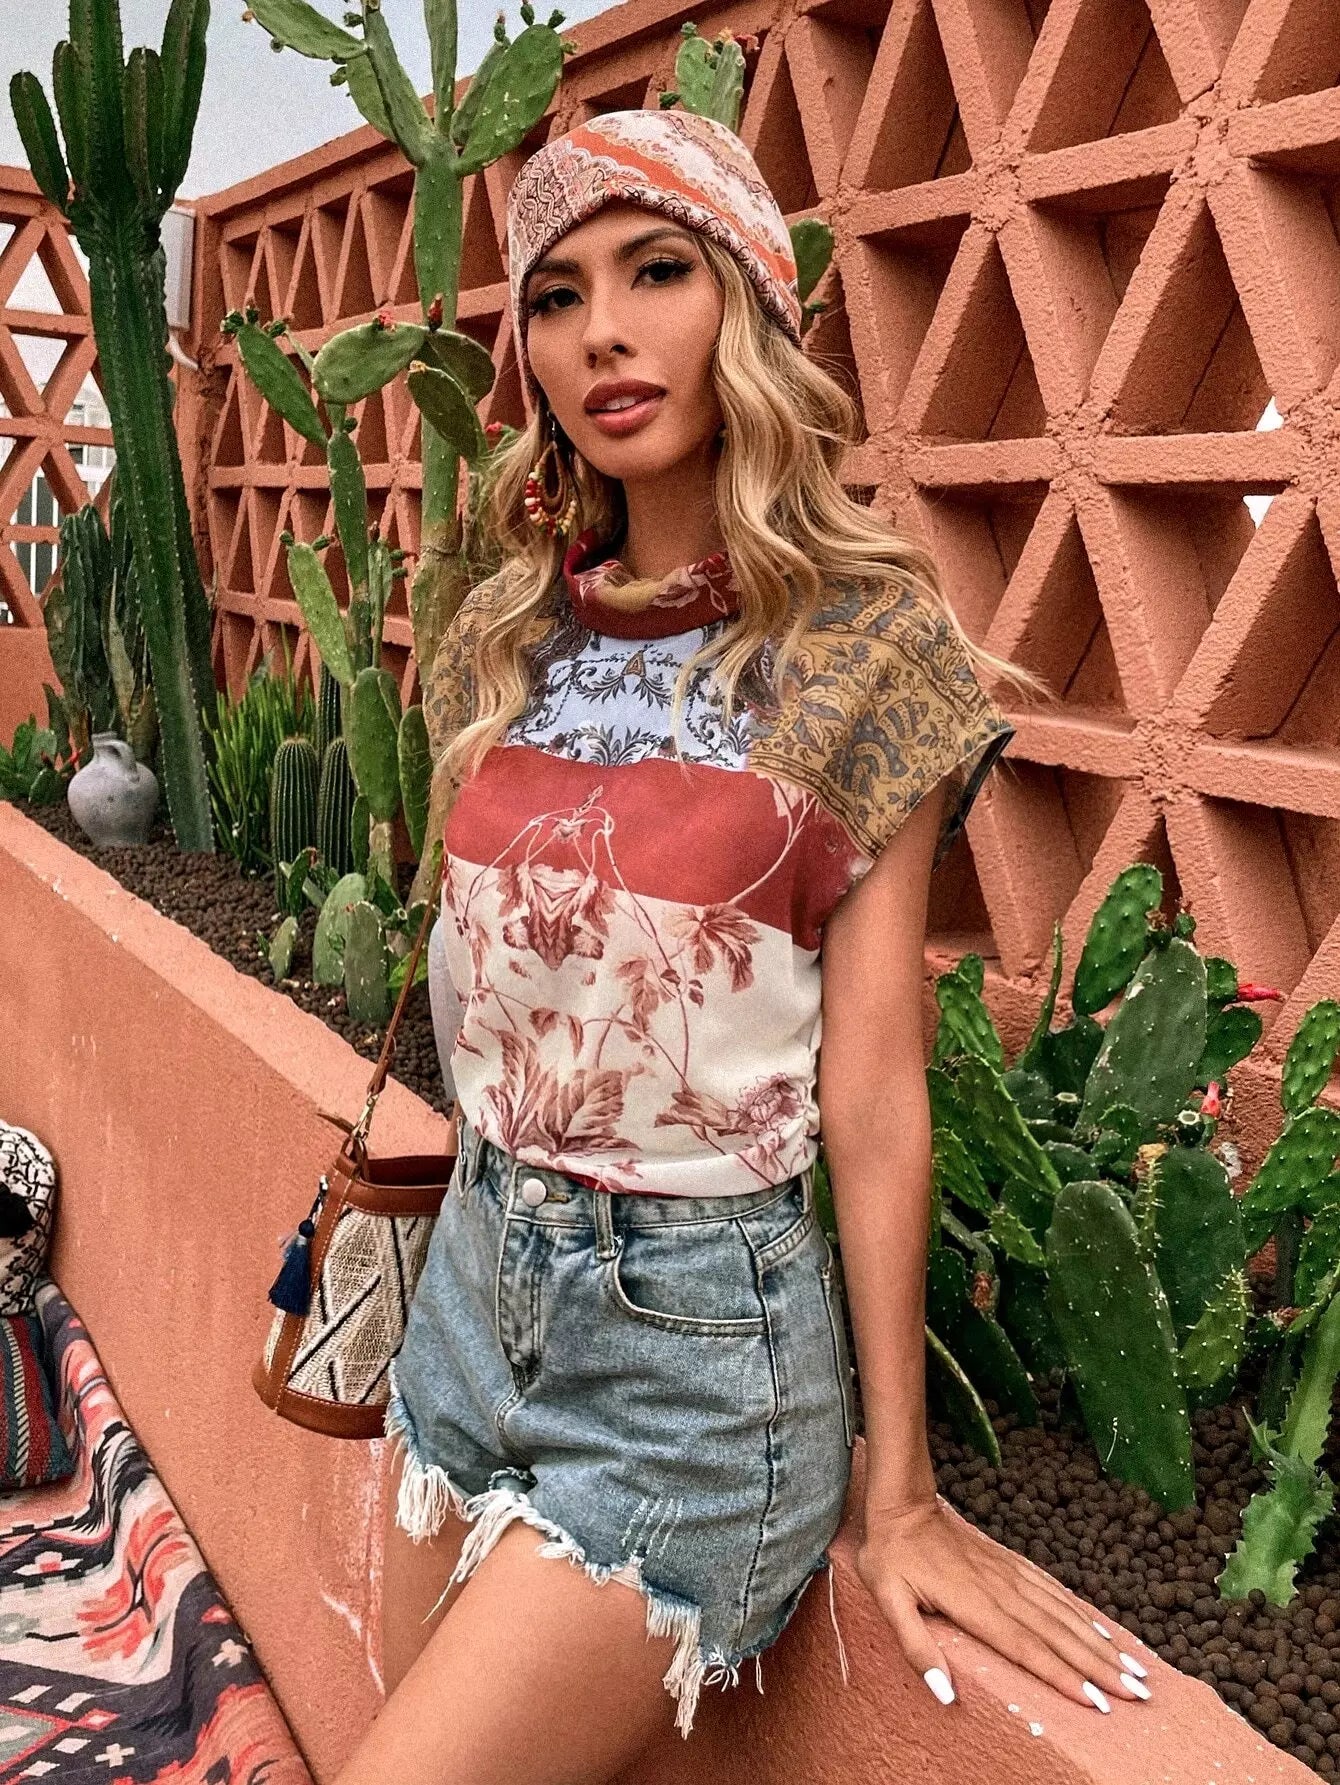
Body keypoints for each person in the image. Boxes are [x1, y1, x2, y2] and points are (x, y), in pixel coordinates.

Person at [334, 108, 1151, 1785]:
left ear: (755, 310)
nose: (603, 334)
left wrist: (899, 1491)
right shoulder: (504, 635)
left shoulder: (865, 651)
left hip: (695, 1366)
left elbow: (877, 1090)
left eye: (657, 272)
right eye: (557, 296)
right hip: (468, 1304)